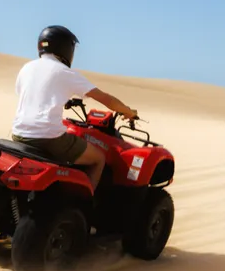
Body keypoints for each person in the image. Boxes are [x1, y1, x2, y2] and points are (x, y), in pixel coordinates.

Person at [10, 25, 138, 189]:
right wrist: (128, 111)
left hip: (19, 134)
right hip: (48, 138)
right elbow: (105, 99)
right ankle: (86, 205)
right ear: (66, 48)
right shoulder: (64, 72)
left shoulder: (26, 68)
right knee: (98, 159)